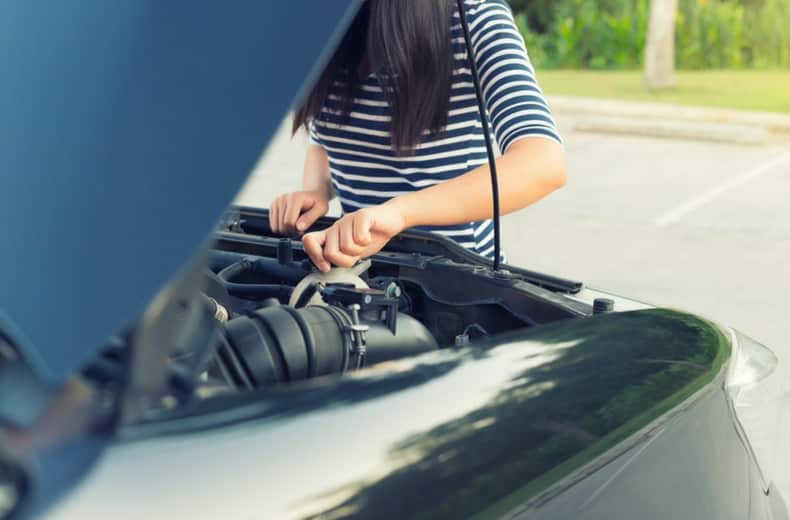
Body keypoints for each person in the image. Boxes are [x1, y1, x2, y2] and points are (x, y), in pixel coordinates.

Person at [270, 0, 566, 273]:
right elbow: (323, 138)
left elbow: (543, 162)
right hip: (355, 275)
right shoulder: (332, 26)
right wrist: (316, 191)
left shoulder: (476, 20)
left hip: (451, 289)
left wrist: (400, 213)